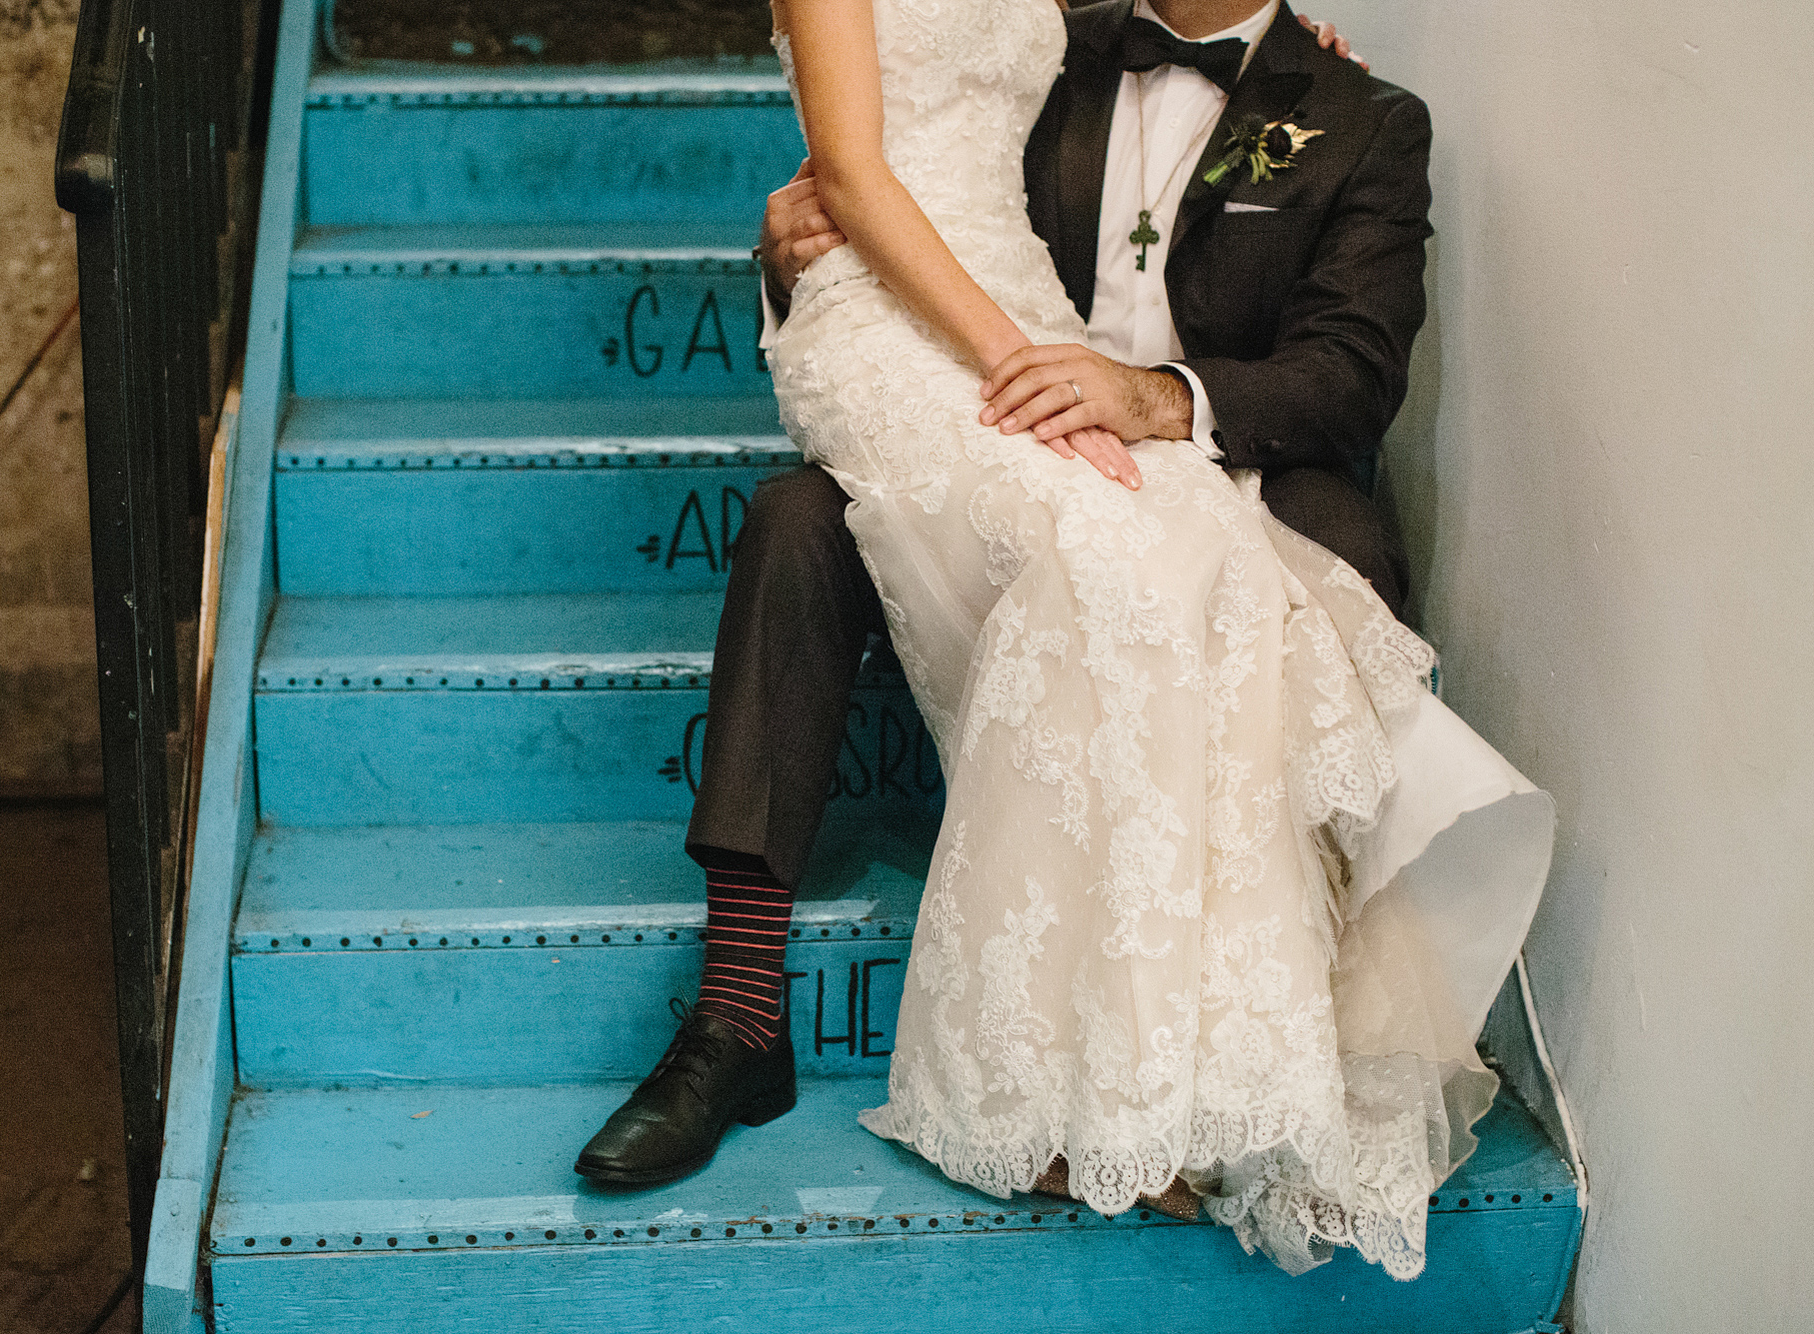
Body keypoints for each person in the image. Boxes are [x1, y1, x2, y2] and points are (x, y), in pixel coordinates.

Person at [576, 0, 1556, 1279]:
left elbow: (1349, 373)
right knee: (792, 520)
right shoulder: (1069, 45)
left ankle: (1220, 1047)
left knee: (1272, 563)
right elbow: (887, 176)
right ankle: (736, 1010)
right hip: (987, 398)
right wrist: (787, 246)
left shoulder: (1357, 116)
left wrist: (1158, 401)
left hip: (1214, 447)